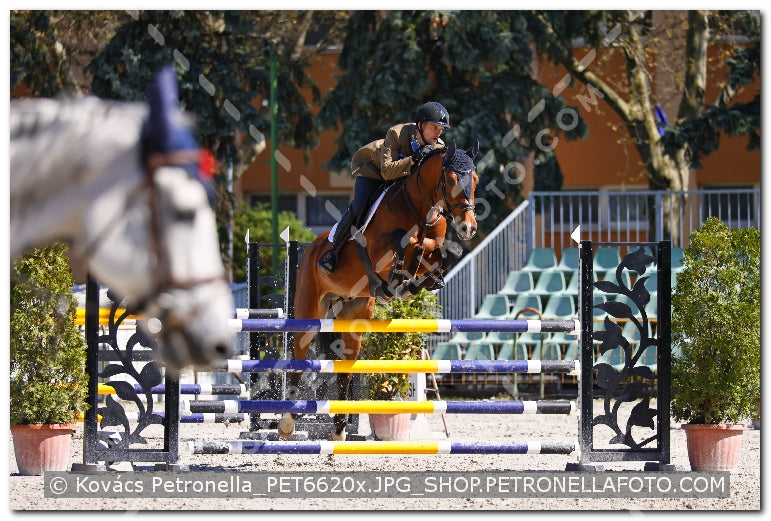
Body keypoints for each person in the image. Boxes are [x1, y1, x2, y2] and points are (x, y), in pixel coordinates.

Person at [318, 101, 450, 275]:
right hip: (373, 170)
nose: (438, 133)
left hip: (403, 177)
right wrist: (413, 159)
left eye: (441, 129)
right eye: (434, 127)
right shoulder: (397, 133)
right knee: (360, 206)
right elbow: (387, 172)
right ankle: (333, 251)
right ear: (420, 125)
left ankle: (430, 267)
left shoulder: (438, 147)